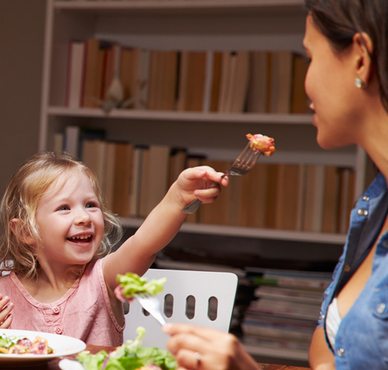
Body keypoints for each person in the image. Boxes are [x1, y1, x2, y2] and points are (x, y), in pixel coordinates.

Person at [164, 0, 388, 369]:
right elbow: (327, 354)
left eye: (310, 58)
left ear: (361, 59)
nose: (306, 82)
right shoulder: (374, 206)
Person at [0, 152, 227, 346]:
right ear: (26, 232)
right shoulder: (1, 295)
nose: (84, 217)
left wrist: (178, 197)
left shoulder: (104, 278)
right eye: (64, 208)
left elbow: (145, 244)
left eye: (91, 205)